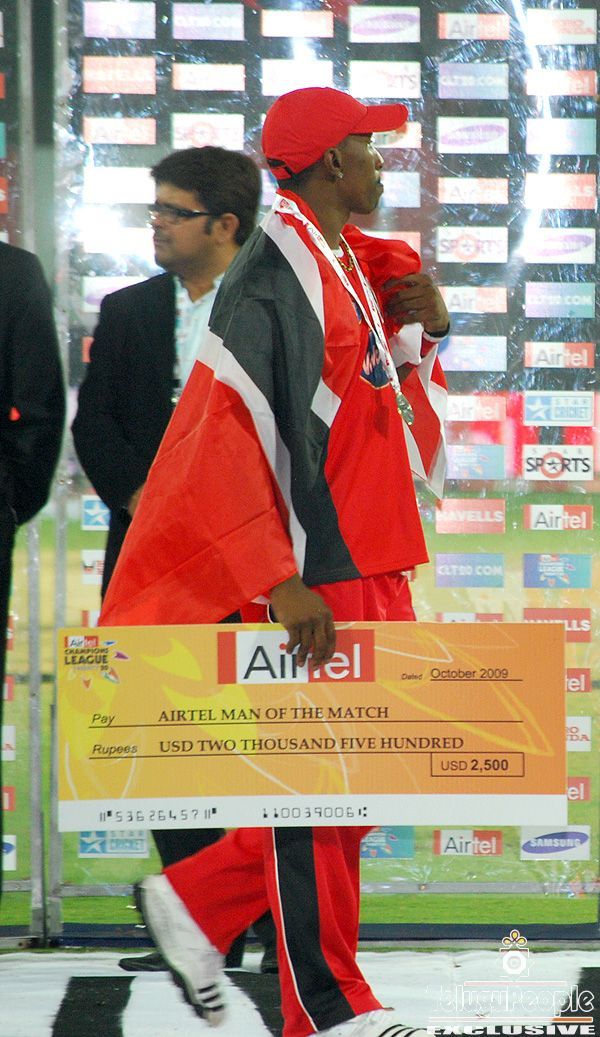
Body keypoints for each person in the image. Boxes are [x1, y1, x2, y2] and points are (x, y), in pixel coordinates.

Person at [99, 86, 449, 1037]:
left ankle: (199, 898)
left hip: (369, 550)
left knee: (359, 785)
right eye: (368, 148)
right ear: (331, 162)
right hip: (316, 561)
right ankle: (326, 1007)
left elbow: (371, 372)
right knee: (320, 789)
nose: (382, 165)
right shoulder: (272, 272)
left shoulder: (338, 254)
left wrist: (431, 323)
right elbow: (222, 440)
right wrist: (278, 577)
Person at [72, 146, 276, 973]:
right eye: (154, 207)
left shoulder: (277, 307)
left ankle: (273, 924)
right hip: (149, 564)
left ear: (225, 225)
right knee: (166, 745)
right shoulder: (127, 310)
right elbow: (94, 424)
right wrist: (146, 504)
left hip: (257, 567)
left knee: (265, 744)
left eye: (172, 210)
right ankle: (195, 923)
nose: (155, 223)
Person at [0, 242, 64, 899]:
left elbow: (40, 408)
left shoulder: (13, 272)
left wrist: (12, 499)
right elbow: (40, 408)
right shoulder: (14, 271)